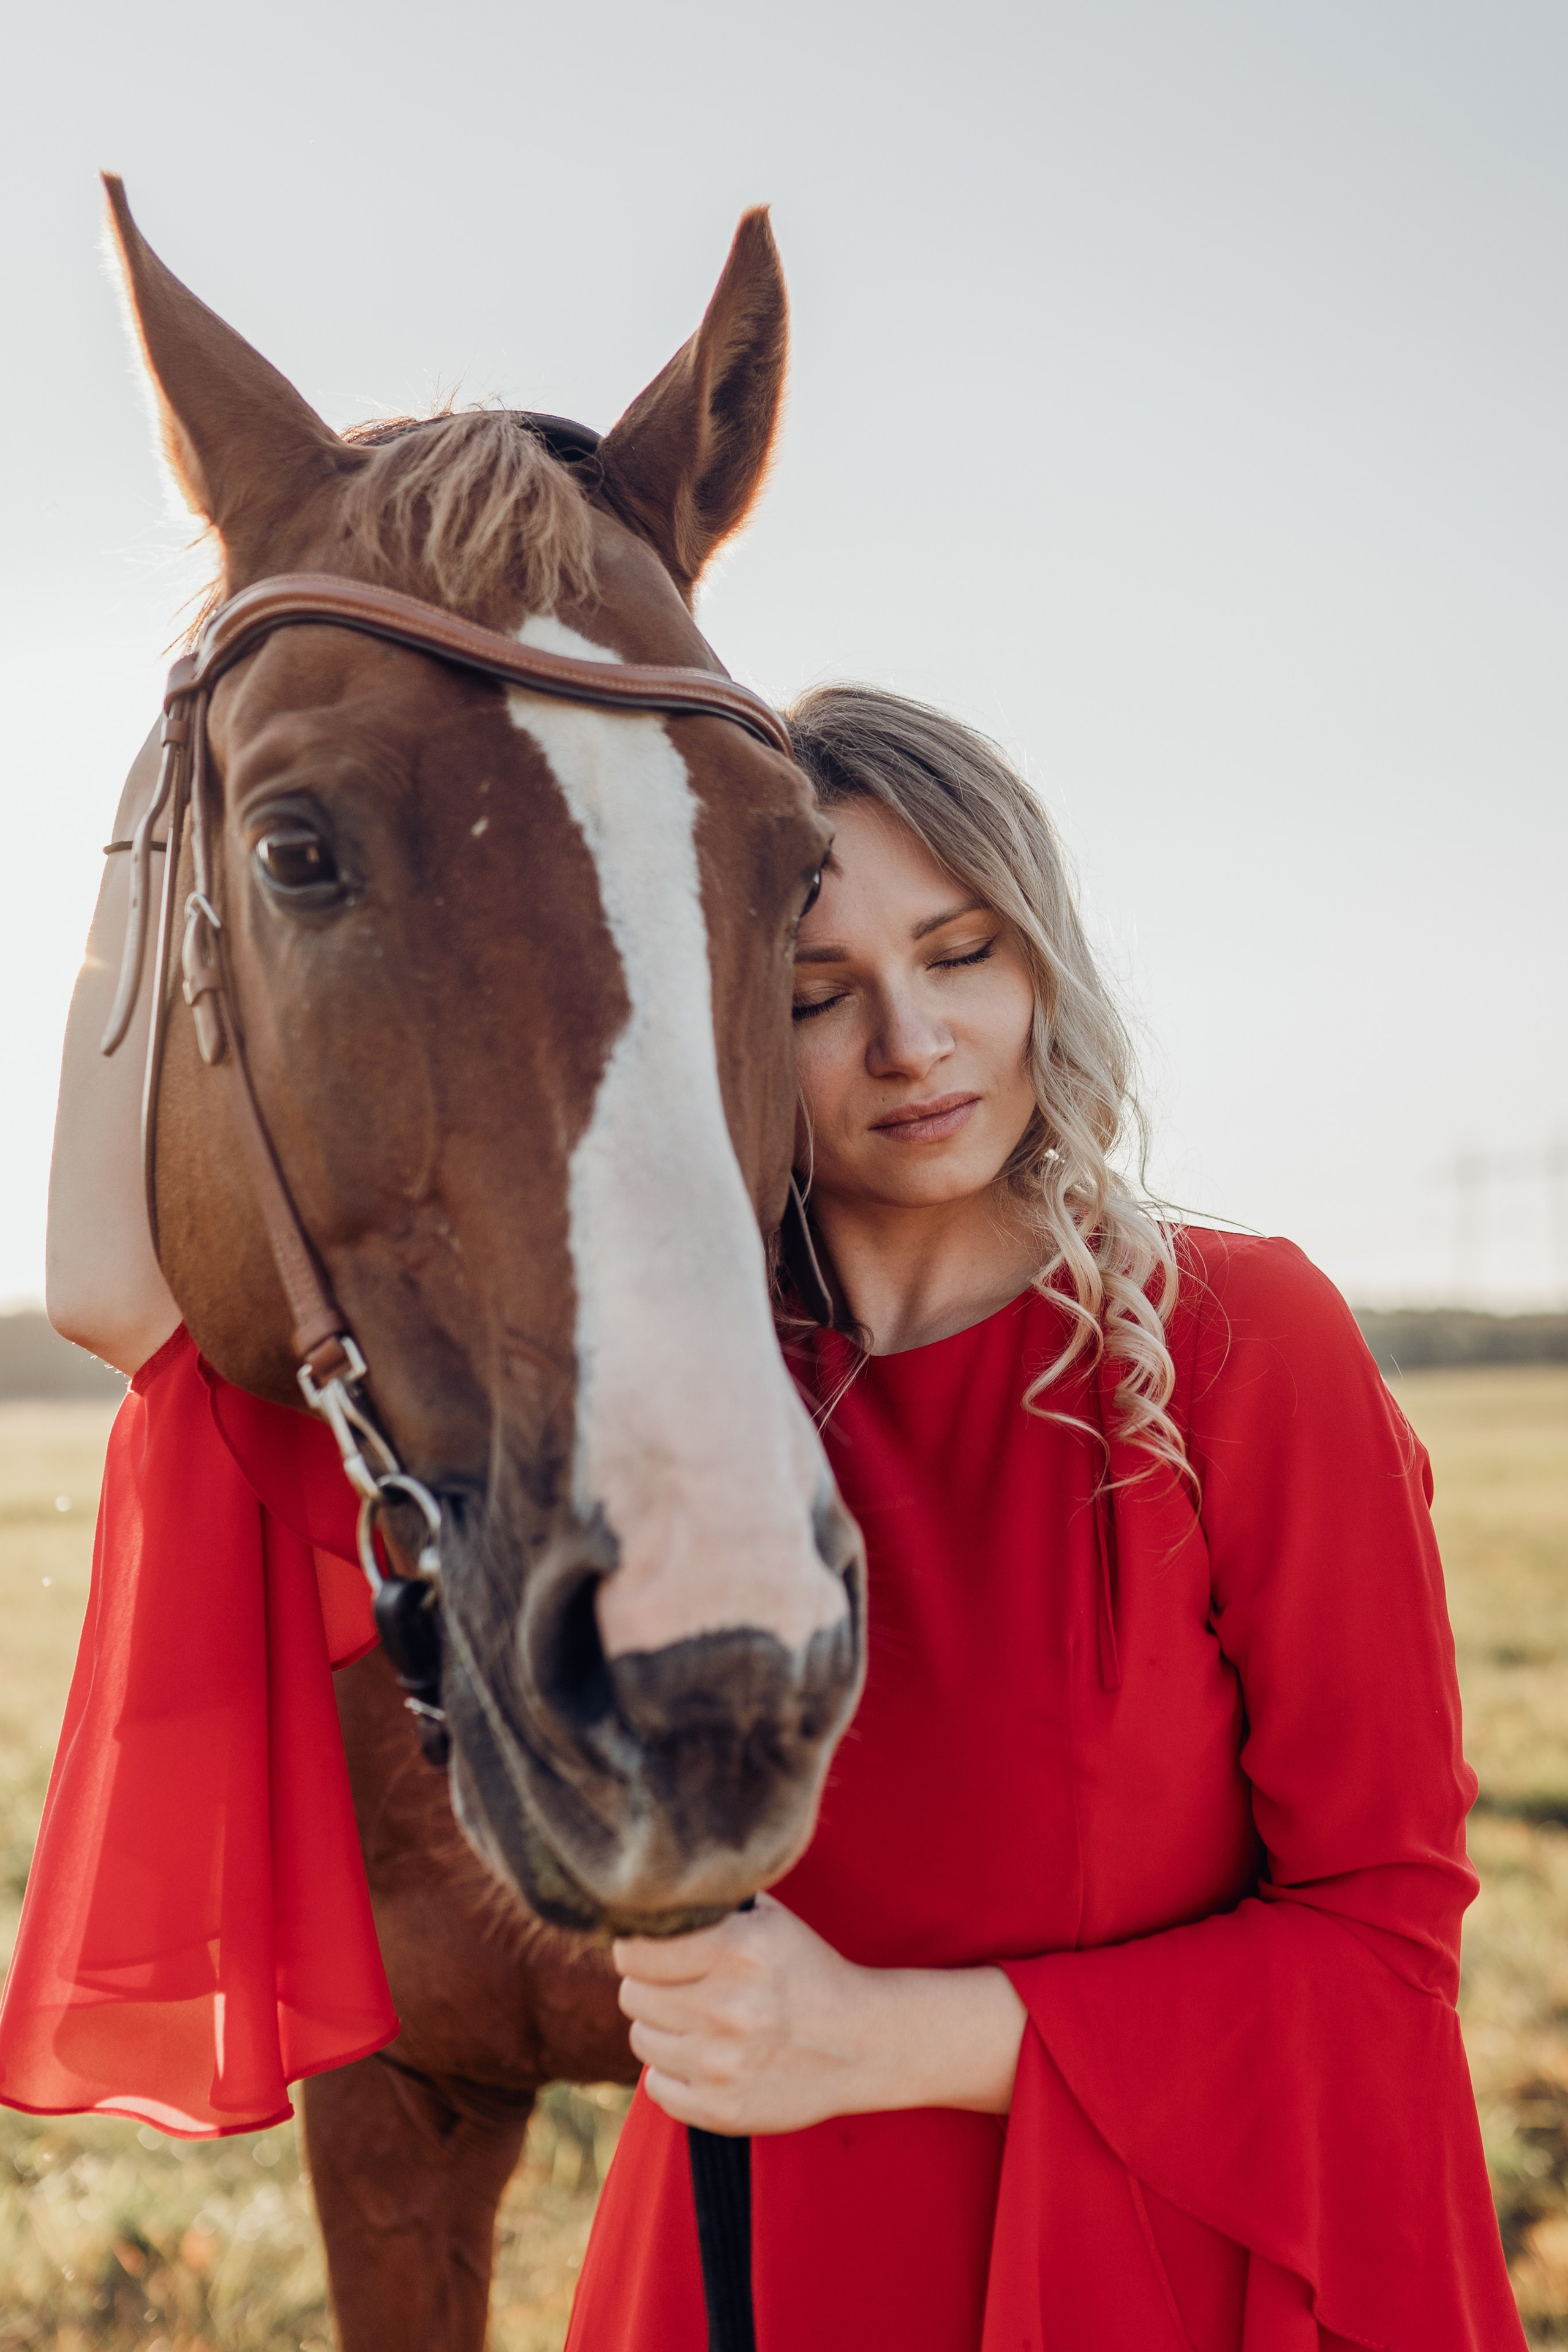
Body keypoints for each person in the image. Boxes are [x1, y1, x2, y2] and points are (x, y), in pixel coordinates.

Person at [565, 685, 1523, 2351]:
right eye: (816, 992)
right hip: (743, 2269)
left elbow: (1381, 1952)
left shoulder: (1241, 1341)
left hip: (1142, 2262)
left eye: (960, 955)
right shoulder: (666, 1387)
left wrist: (870, 2039)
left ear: (1041, 964)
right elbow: (114, 1295)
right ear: (725, 1026)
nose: (911, 1044)